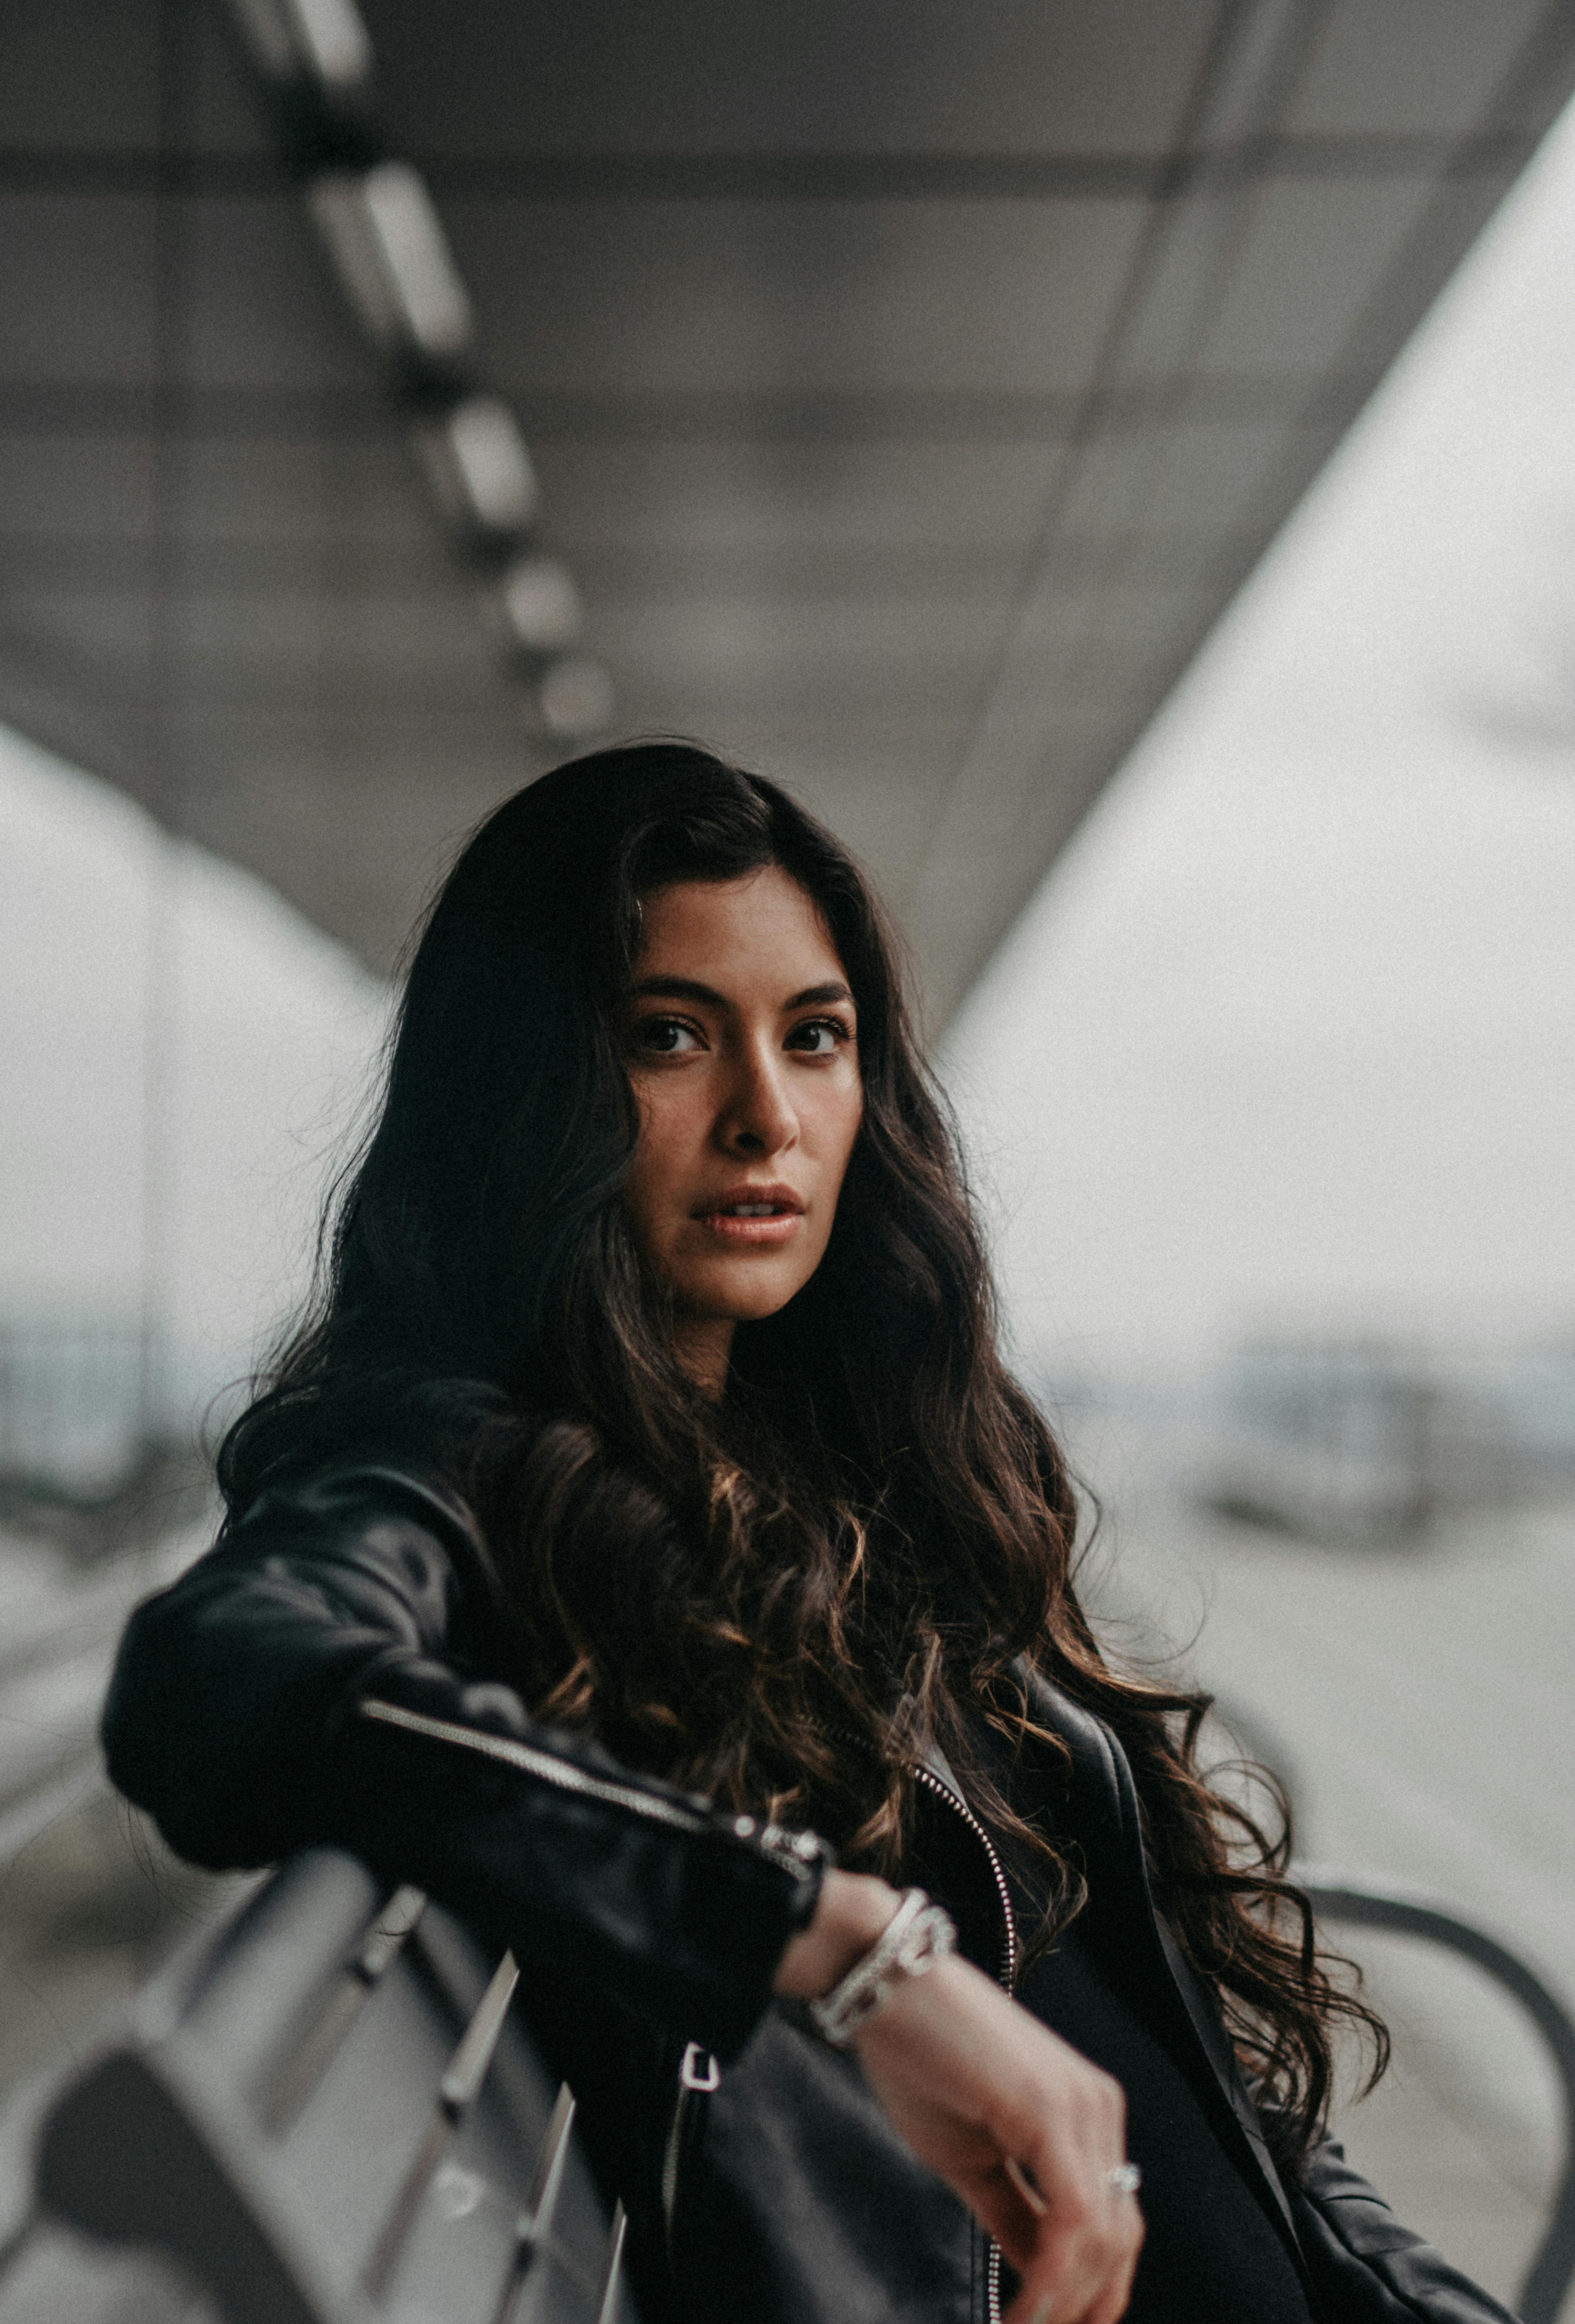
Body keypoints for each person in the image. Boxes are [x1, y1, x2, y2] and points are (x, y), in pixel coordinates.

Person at [104, 743, 1514, 2324]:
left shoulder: (866, 1482)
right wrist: (829, 1938)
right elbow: (223, 1670)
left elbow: (1172, 2072)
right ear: (523, 1083)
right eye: (669, 1038)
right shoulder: (448, 1461)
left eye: (816, 1038)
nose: (766, 1115)